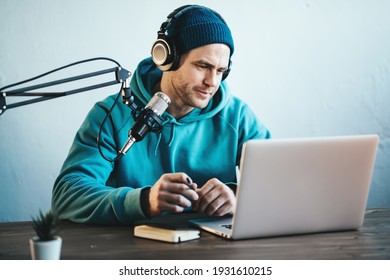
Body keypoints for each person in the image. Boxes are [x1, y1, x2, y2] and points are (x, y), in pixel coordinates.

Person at [52, 5, 270, 224]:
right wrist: (144, 201)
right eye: (203, 66)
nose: (212, 82)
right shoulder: (110, 115)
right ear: (166, 58)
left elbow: (281, 183)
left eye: (221, 71)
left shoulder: (238, 117)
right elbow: (67, 196)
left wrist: (237, 195)